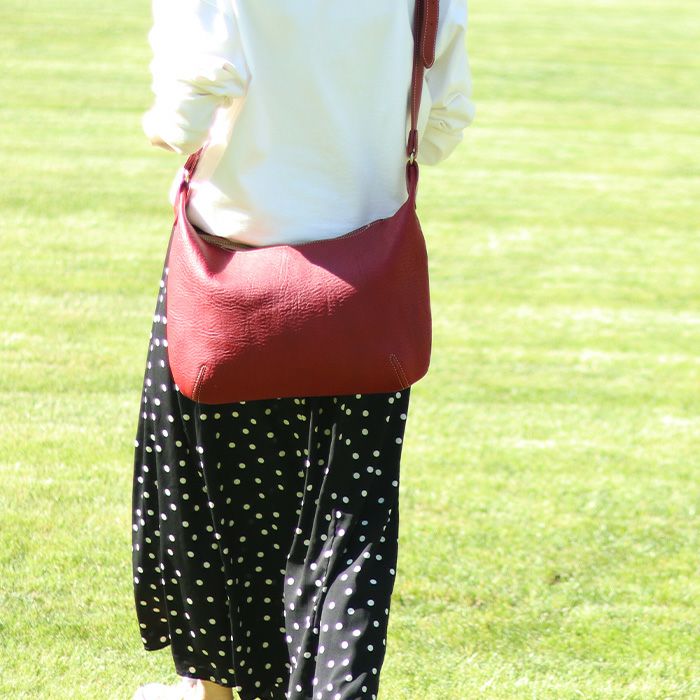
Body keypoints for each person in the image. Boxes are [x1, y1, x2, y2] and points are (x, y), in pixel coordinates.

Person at [130, 1, 475, 699]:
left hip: (230, 273)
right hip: (364, 281)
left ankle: (213, 690)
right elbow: (443, 124)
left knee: (215, 503)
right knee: (350, 525)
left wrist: (161, 130)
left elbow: (187, 110)